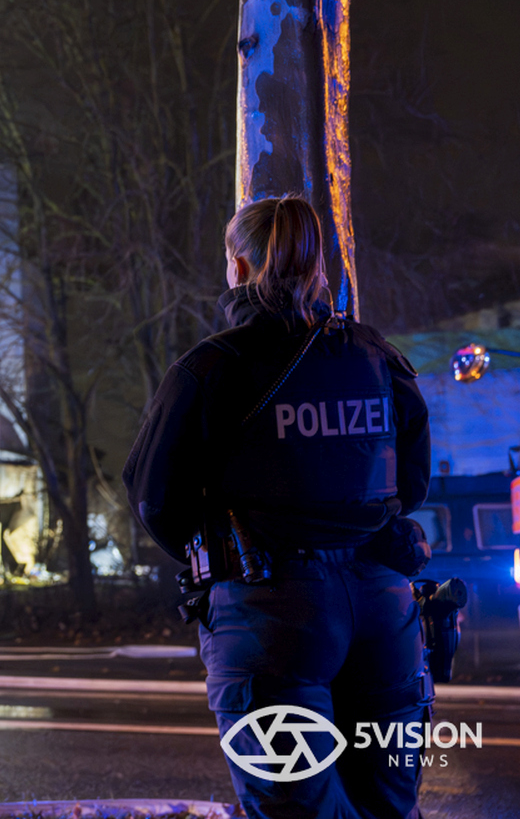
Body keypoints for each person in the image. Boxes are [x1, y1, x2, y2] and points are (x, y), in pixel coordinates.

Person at [122, 195, 431, 819]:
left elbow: (154, 496)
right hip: (386, 610)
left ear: (237, 266)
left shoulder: (210, 369)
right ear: (318, 266)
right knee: (390, 808)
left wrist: (225, 547)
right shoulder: (376, 355)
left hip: (270, 614)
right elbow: (413, 484)